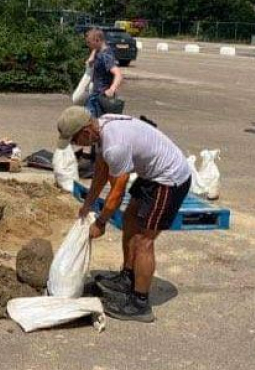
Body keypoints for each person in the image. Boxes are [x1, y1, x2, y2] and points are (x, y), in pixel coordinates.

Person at [56, 106, 192, 323]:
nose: (75, 144)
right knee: (130, 218)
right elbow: (101, 172)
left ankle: (140, 303)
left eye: (74, 139)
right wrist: (88, 204)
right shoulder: (102, 131)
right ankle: (127, 277)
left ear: (86, 131)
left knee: (143, 240)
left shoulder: (114, 145)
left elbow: (118, 192)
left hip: (170, 179)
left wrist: (101, 222)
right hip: (152, 175)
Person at [84, 28, 123, 118]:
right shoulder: (101, 50)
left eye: (89, 42)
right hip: (95, 95)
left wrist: (112, 89)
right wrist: (92, 56)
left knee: (91, 124)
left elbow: (118, 74)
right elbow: (91, 58)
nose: (88, 45)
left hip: (100, 96)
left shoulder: (105, 55)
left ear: (97, 40)